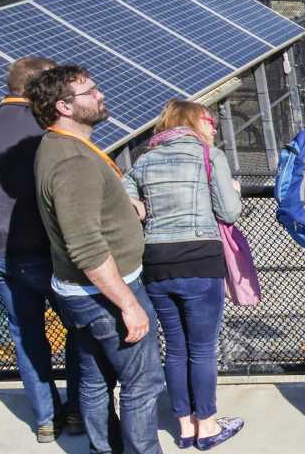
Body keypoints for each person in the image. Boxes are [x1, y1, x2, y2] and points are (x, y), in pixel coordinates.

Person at [28, 65, 165, 454]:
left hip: (81, 293)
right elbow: (86, 245)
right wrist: (128, 304)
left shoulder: (58, 148)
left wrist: (125, 206)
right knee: (141, 384)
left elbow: (81, 211)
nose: (100, 95)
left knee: (93, 380)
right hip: (105, 293)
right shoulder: (73, 163)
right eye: (90, 91)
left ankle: (104, 449)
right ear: (63, 107)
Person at [0, 56, 83, 442]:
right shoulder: (45, 126)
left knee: (26, 336)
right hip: (47, 250)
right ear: (38, 88)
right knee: (78, 328)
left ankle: (45, 419)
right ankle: (78, 411)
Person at [121, 101, 245, 449]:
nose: (214, 127)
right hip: (199, 260)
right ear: (193, 121)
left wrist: (141, 208)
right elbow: (229, 212)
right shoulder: (209, 155)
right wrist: (233, 192)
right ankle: (206, 426)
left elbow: (125, 194)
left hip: (157, 261)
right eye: (210, 120)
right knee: (202, 350)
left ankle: (184, 426)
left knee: (175, 348)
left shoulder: (144, 160)